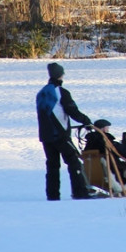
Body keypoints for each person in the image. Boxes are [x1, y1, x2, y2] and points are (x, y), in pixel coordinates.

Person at [35, 62, 96, 200]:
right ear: (60, 75)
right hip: (60, 136)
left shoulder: (41, 93)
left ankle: (53, 195)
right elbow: (72, 110)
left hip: (46, 136)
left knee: (52, 166)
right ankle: (80, 192)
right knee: (74, 161)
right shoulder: (61, 92)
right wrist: (86, 121)